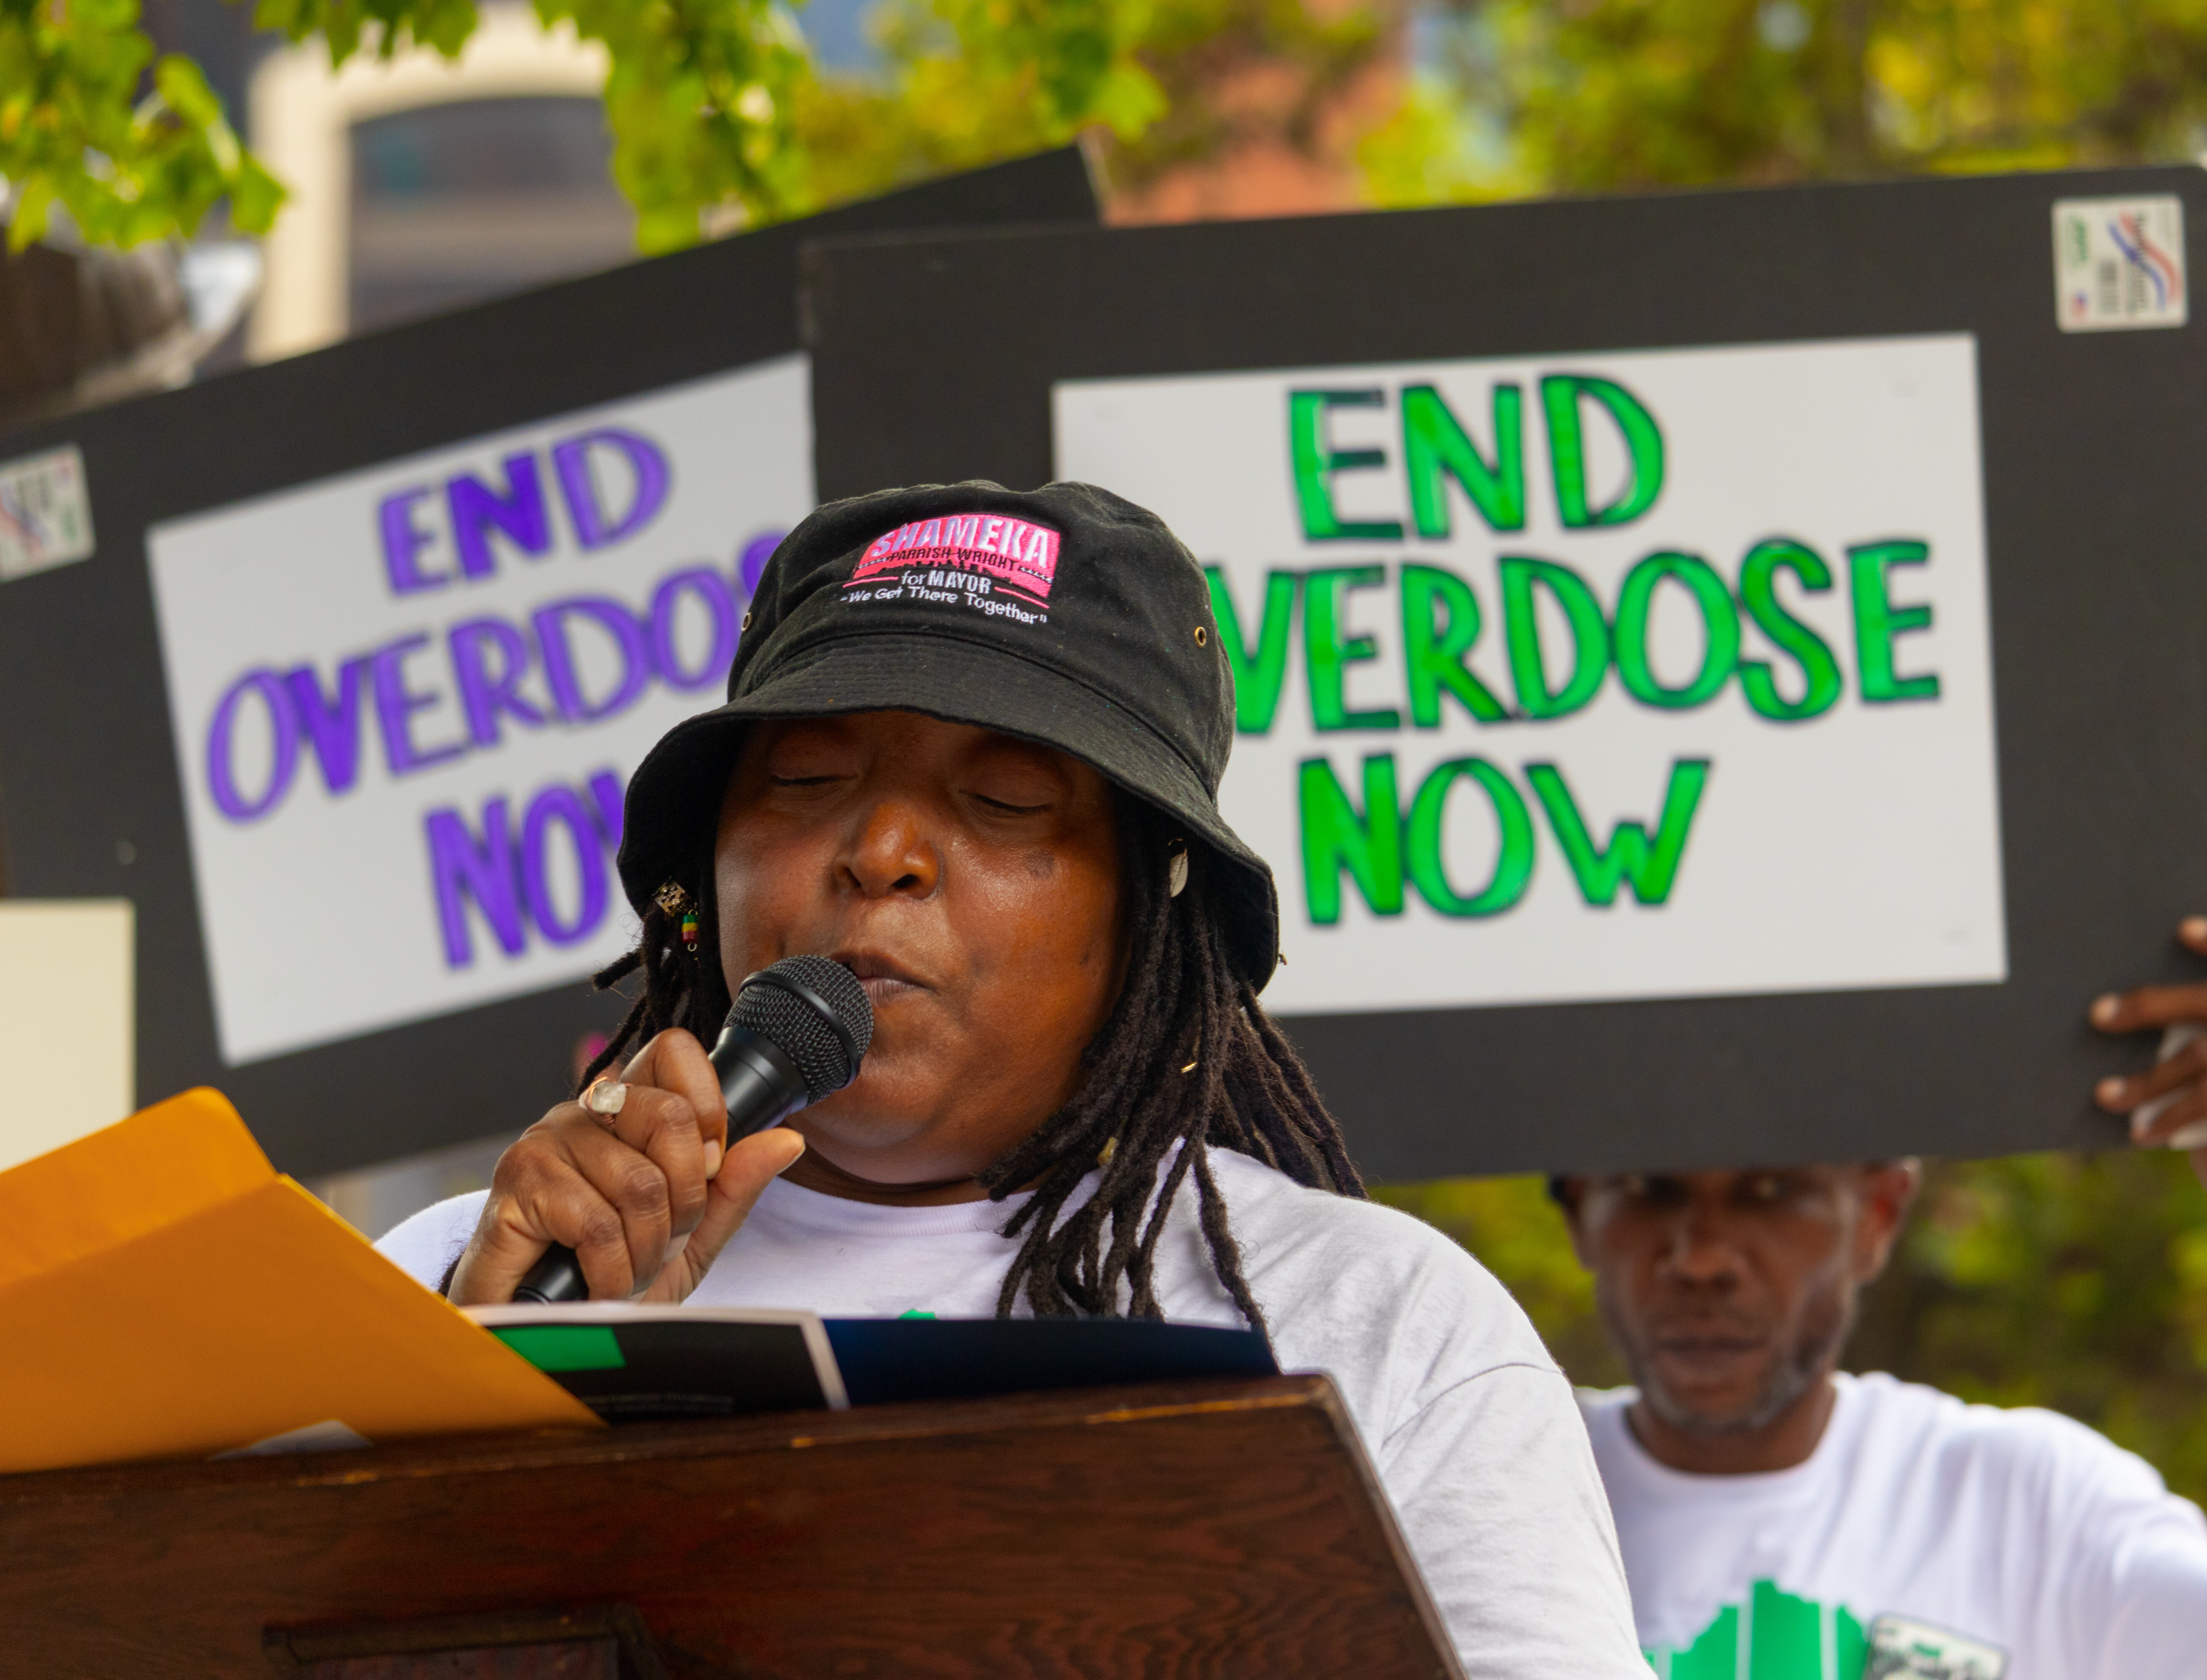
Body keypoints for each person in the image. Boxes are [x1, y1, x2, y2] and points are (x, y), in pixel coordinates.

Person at [377, 480, 1647, 1679]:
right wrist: (481, 1413)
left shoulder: (1382, 1329)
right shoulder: (441, 1287)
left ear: (1152, 904)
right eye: (809, 780)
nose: (880, 850)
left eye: (1005, 796)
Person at [1555, 921, 2207, 1680]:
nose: (1701, 1256)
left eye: (1772, 1192)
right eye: (1645, 1189)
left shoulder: (2022, 1506)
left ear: (1880, 1215)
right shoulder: (1490, 1492)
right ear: (1579, 1214)